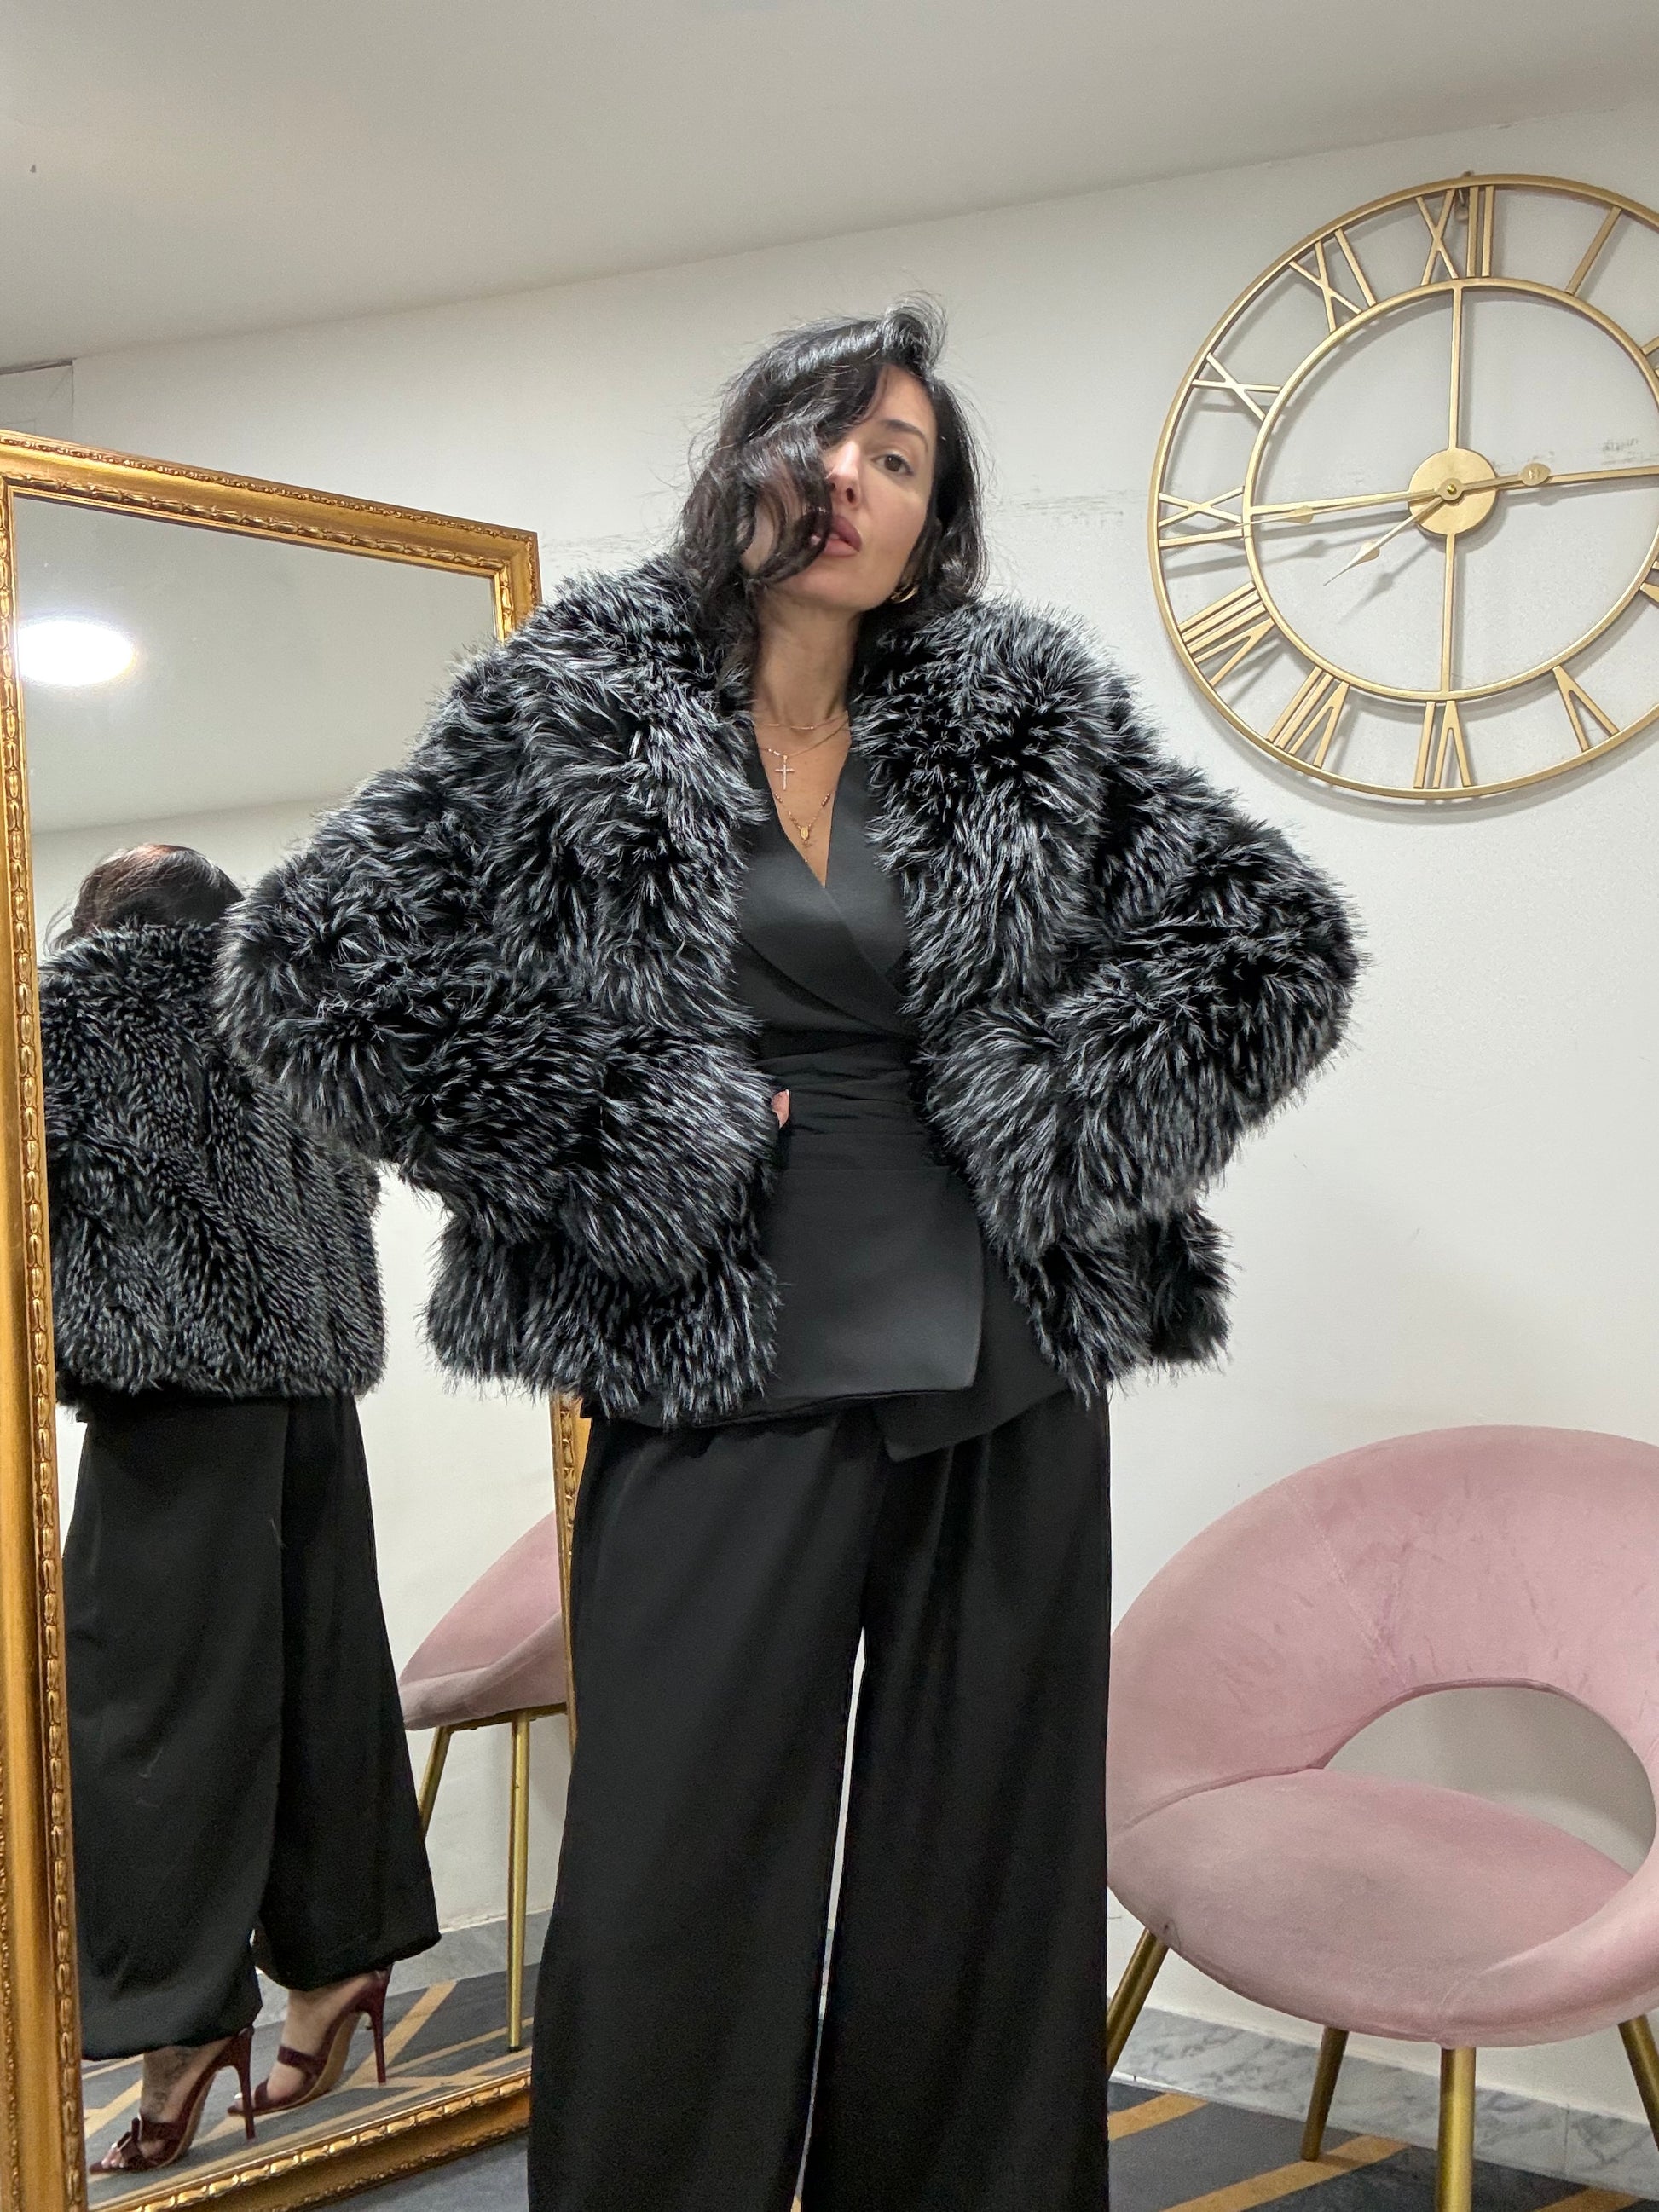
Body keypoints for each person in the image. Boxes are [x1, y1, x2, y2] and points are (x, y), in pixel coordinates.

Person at [221, 303, 1358, 2212]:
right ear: (740, 461)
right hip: (718, 1352)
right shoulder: (571, 701)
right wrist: (623, 1121)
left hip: (1001, 1363)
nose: (850, 479)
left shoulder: (1017, 718)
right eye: (822, 436)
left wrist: (1052, 1106)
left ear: (932, 523)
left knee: (980, 1868)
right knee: (676, 1865)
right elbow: (310, 966)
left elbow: (1272, 944)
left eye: (897, 459)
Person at [42, 845, 439, 2174]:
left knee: (149, 1711)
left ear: (103, 926)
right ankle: (337, 1964)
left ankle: (178, 2029)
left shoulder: (78, 1004)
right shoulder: (291, 1015)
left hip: (177, 1395)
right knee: (323, 1678)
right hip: (312, 1393)